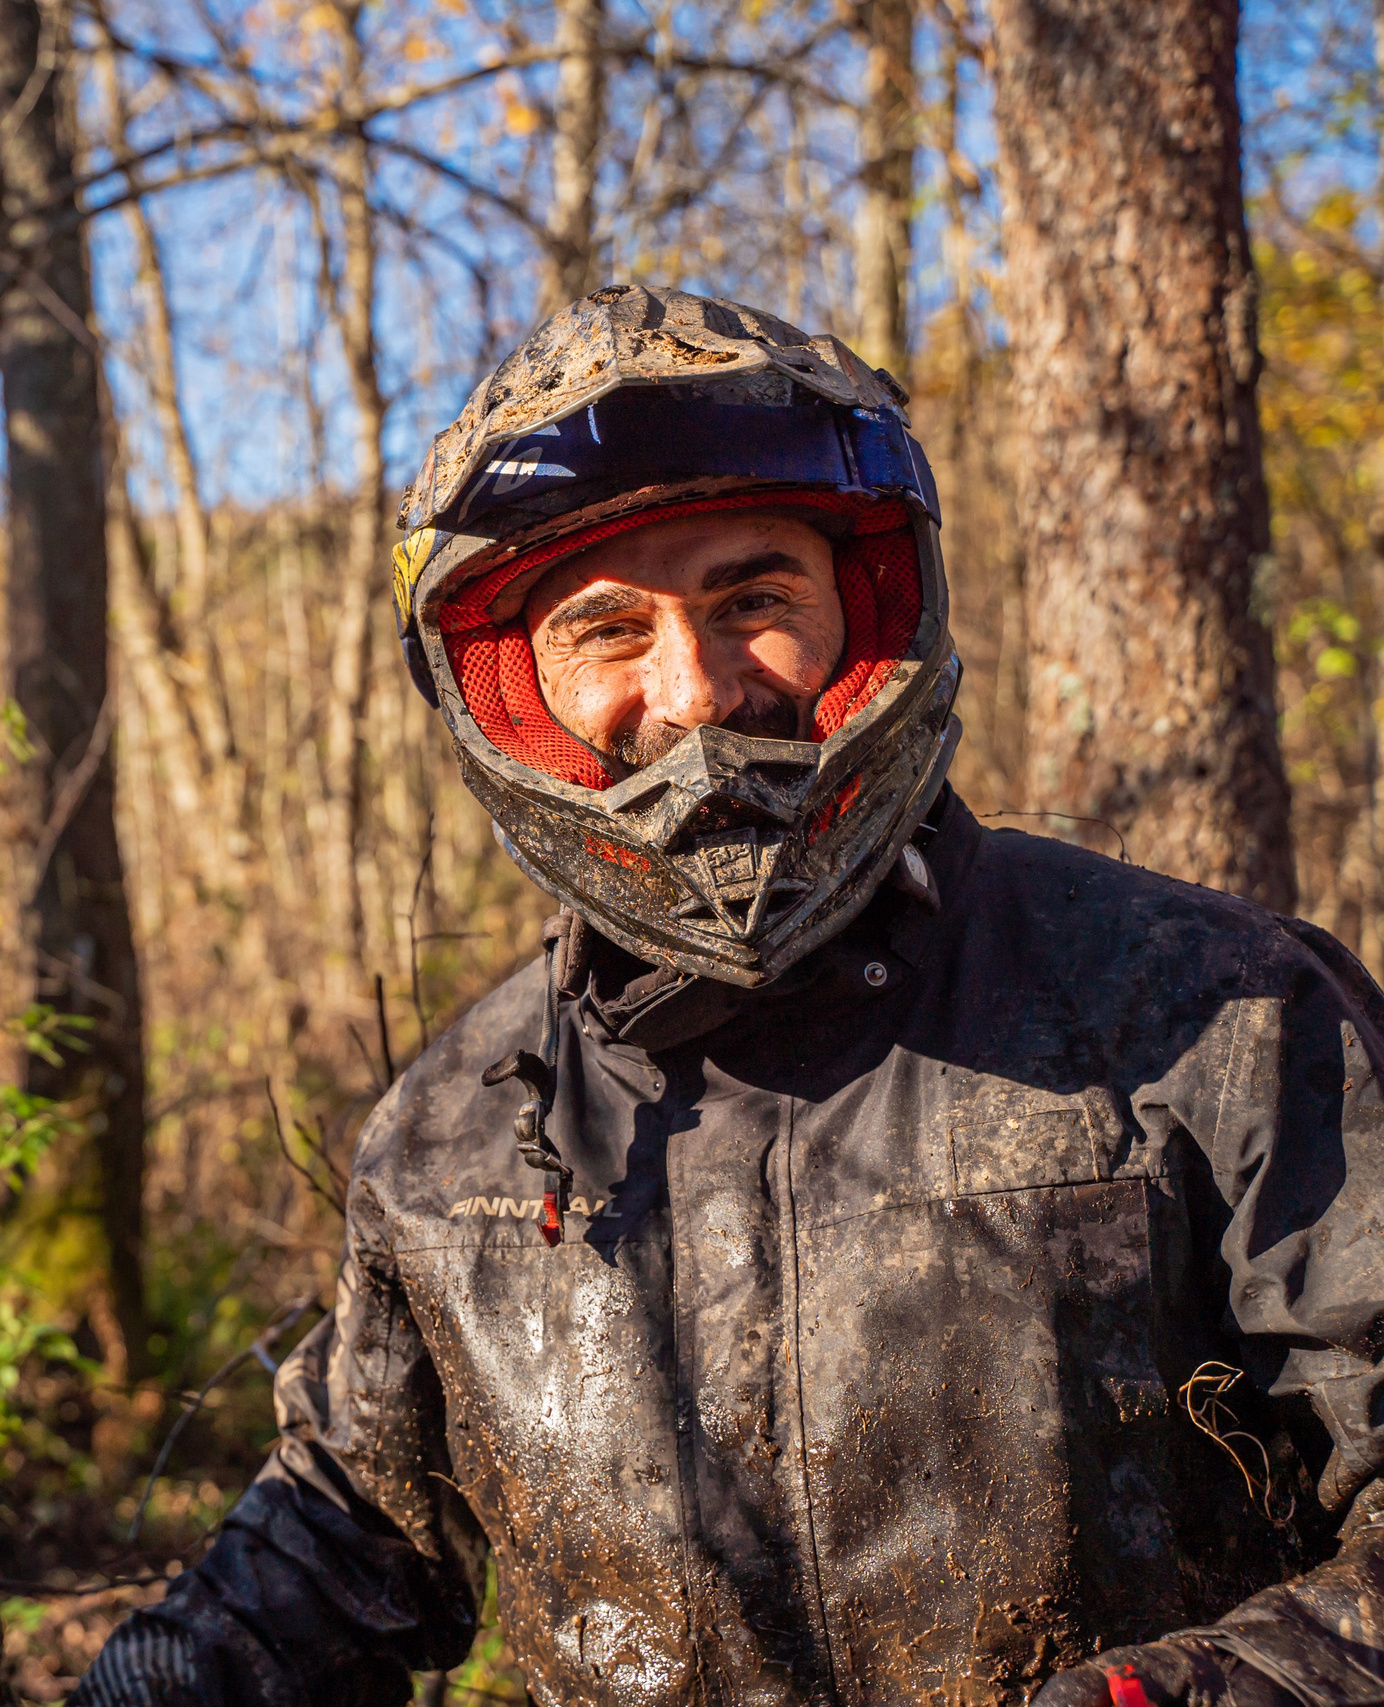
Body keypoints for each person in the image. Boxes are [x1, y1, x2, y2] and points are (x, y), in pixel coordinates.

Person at [73, 286, 1384, 1707]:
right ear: (517, 694)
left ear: (867, 613)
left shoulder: (1212, 1019)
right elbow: (344, 1540)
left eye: (754, 599)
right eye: (607, 629)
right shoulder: (457, 1141)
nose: (694, 691)